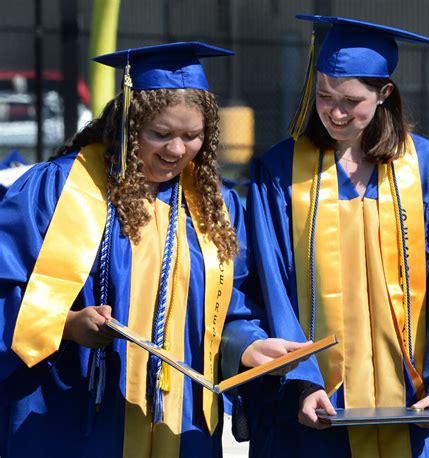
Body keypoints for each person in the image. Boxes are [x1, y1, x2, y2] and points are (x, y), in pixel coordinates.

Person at [0, 42, 304, 458]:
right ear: (125, 125)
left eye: (191, 136)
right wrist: (67, 324)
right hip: (72, 418)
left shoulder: (215, 208)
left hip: (181, 427)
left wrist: (249, 347)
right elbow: (6, 292)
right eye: (159, 134)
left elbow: (232, 310)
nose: (176, 150)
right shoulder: (56, 190)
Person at [223, 15, 429, 457]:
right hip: (315, 408)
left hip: (412, 404)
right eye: (324, 96)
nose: (335, 112)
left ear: (384, 95)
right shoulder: (280, 172)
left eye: (351, 100)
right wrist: (300, 381)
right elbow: (270, 286)